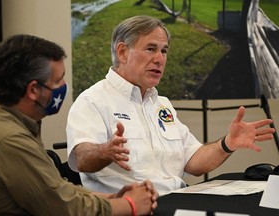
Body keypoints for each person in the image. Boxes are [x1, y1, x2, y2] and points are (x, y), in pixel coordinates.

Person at [66, 15, 275, 196]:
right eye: (151, 49)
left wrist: (228, 143)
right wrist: (104, 151)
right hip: (130, 208)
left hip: (177, 200)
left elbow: (193, 162)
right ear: (122, 52)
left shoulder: (161, 104)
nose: (160, 59)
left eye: (164, 51)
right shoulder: (92, 100)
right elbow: (80, 159)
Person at [0, 34, 158, 215]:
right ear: (33, 90)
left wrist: (113, 197)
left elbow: (57, 189)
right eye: (58, 80)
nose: (64, 86)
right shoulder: (9, 139)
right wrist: (130, 205)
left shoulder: (14, 123)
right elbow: (63, 208)